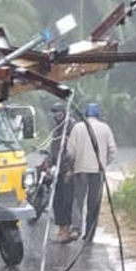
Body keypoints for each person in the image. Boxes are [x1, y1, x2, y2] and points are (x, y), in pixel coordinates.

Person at [63, 102, 118, 244]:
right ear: (98, 115)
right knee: (94, 203)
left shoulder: (77, 128)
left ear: (85, 114)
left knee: (78, 201)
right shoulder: (105, 128)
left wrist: (71, 169)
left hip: (80, 170)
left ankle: (76, 229)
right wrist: (104, 164)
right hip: (98, 172)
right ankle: (90, 233)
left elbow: (70, 152)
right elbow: (113, 151)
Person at [47, 102, 76, 242]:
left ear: (64, 113)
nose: (56, 116)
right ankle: (60, 229)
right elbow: (53, 147)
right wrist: (48, 164)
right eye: (54, 113)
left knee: (67, 201)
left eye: (58, 112)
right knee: (57, 200)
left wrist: (71, 169)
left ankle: (67, 229)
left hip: (67, 170)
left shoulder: (72, 127)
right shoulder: (56, 128)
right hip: (56, 169)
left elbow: (75, 150)